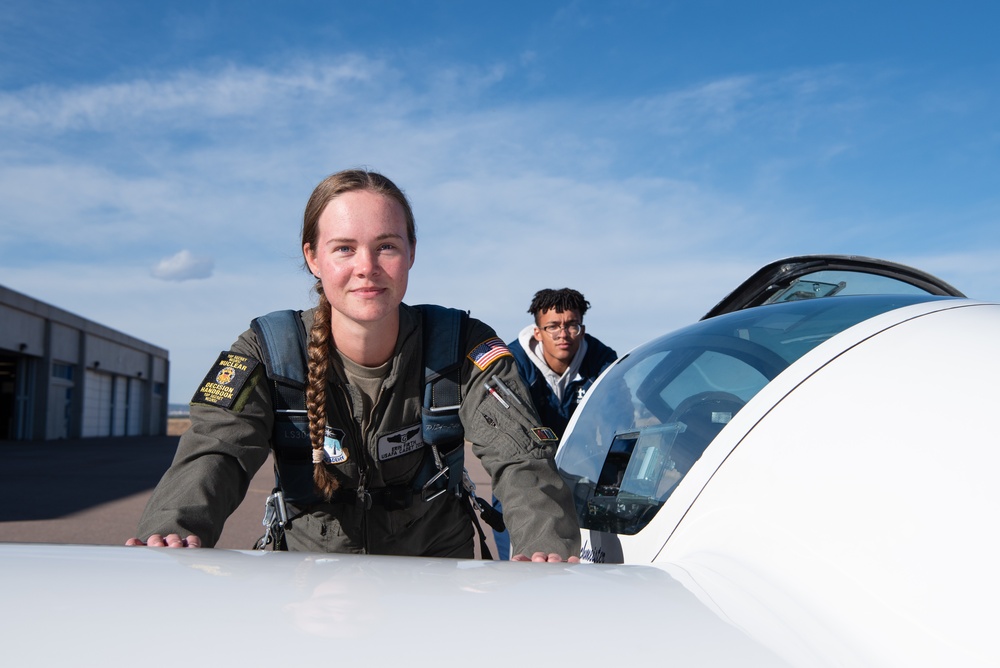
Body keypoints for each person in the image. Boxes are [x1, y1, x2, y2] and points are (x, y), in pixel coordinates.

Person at [126, 169, 580, 562]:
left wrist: (544, 546)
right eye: (344, 248)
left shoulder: (462, 345)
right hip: (312, 581)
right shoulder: (268, 351)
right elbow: (215, 451)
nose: (367, 267)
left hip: (435, 578)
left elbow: (521, 456)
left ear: (411, 253)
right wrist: (172, 531)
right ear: (313, 258)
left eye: (386, 246)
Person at [492, 288, 618, 559]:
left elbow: (614, 425)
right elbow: (508, 436)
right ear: (537, 332)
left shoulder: (602, 361)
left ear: (582, 328)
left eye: (572, 325)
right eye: (553, 326)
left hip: (582, 469)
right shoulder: (512, 364)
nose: (563, 334)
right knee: (520, 562)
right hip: (527, 468)